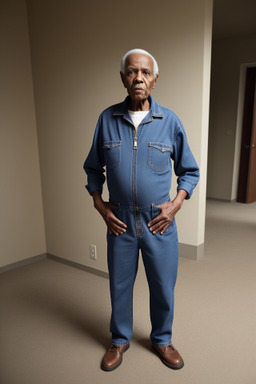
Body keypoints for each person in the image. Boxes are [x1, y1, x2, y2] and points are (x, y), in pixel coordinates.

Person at [83, 48, 199, 371]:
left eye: (145, 73)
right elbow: (93, 169)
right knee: (119, 284)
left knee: (163, 285)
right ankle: (119, 340)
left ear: (155, 80)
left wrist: (174, 206)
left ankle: (162, 339)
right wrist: (100, 206)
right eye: (132, 72)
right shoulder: (107, 120)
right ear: (123, 78)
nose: (139, 78)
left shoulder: (170, 121)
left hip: (157, 221)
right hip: (119, 220)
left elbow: (189, 171)